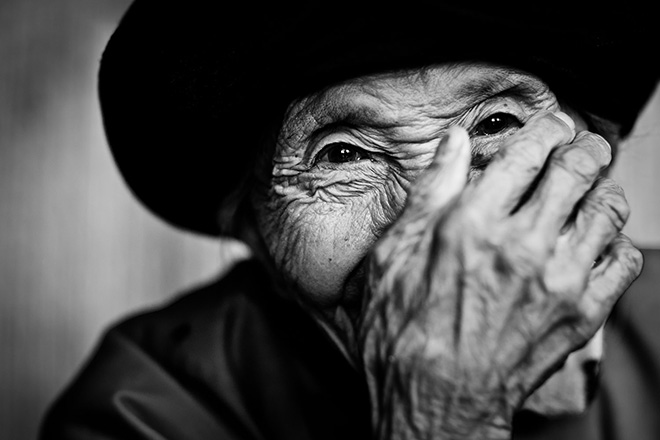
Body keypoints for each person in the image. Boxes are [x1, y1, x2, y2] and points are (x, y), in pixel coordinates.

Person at [41, 1, 660, 439]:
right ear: (254, 229)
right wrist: (439, 421)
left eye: (496, 124)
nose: (438, 231)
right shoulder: (142, 410)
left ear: (592, 153)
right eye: (343, 155)